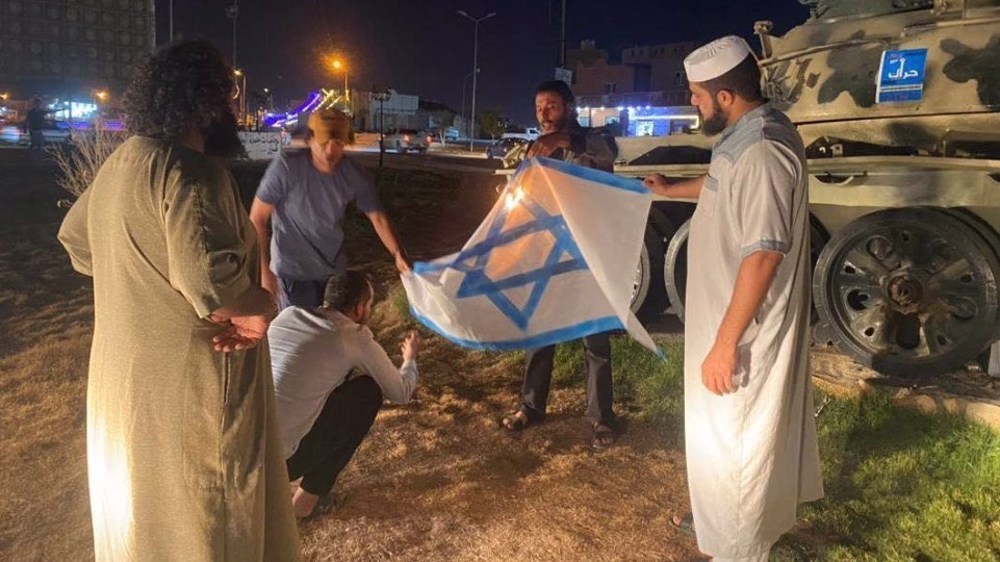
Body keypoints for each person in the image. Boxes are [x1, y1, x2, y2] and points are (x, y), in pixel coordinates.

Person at [57, 39, 300, 561]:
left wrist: (138, 285)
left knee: (141, 519)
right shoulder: (192, 172)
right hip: (192, 385)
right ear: (209, 103)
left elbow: (77, 242)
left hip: (123, 382)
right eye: (229, 99)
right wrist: (262, 309)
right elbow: (214, 289)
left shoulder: (121, 163)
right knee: (205, 520)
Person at [643, 36, 824, 561]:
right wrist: (670, 189)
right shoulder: (743, 136)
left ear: (725, 96)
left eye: (698, 95)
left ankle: (740, 548)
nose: (693, 103)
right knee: (721, 440)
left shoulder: (765, 149)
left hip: (744, 331)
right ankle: (721, 520)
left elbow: (764, 255)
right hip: (724, 319)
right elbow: (722, 182)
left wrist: (726, 343)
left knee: (739, 442)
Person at [499, 80, 621, 450]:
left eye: (551, 105)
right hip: (548, 253)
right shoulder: (535, 152)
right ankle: (531, 407)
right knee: (541, 335)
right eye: (538, 107)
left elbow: (609, 153)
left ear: (568, 107)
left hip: (587, 254)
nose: (543, 114)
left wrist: (563, 142)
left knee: (594, 340)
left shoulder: (595, 138)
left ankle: (602, 418)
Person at [268, 270, 421, 518]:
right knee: (367, 393)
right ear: (359, 308)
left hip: (241, 449)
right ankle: (305, 504)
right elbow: (402, 392)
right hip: (277, 464)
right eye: (370, 305)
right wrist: (410, 359)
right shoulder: (353, 337)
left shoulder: (289, 314)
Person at [249, 109, 410, 310]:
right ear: (310, 139)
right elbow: (257, 218)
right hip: (293, 273)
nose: (330, 152)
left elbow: (378, 217)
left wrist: (398, 254)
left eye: (339, 144)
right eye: (324, 143)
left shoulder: (353, 174)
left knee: (336, 332)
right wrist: (265, 273)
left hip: (334, 272)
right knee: (305, 336)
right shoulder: (286, 168)